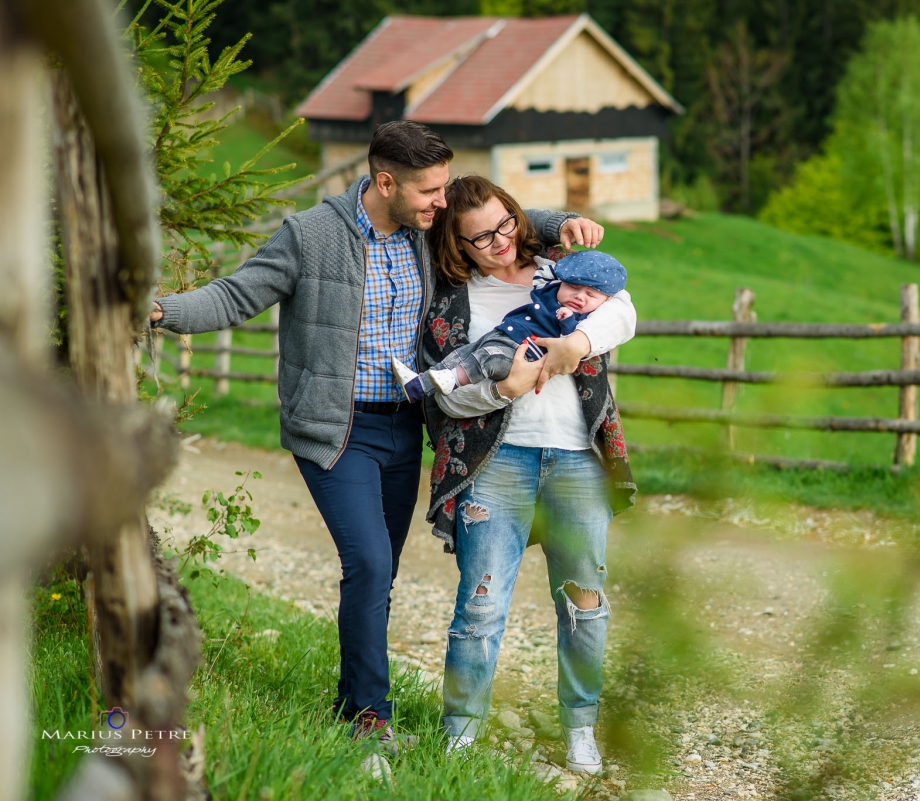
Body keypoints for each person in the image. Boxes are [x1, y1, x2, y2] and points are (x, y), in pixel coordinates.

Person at [147, 121, 604, 758]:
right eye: (429, 190)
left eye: (444, 189)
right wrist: (159, 311)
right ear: (384, 182)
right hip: (337, 429)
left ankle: (352, 698)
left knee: (377, 577)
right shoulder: (310, 236)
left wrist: (566, 224)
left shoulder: (431, 226)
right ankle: (370, 718)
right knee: (369, 563)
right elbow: (235, 295)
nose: (441, 201)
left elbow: (503, 224)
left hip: (407, 426)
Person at [419, 175, 636, 775]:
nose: (499, 242)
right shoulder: (449, 300)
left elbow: (625, 309)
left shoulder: (562, 267)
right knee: (481, 605)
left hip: (577, 458)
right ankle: (459, 734)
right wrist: (503, 389)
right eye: (480, 237)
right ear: (458, 246)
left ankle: (581, 729)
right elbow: (443, 396)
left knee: (584, 603)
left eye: (505, 225)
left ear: (517, 215)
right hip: (496, 462)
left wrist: (579, 343)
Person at [391, 249, 627, 402]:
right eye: (574, 287)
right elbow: (545, 272)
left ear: (604, 301)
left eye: (591, 295)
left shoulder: (587, 320)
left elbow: (567, 343)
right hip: (505, 333)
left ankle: (452, 379)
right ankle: (417, 386)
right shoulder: (550, 291)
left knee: (486, 359)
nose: (580, 297)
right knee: (463, 353)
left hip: (521, 353)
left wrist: (567, 319)